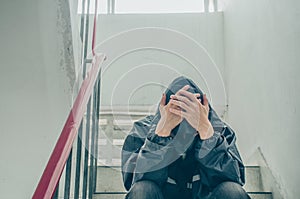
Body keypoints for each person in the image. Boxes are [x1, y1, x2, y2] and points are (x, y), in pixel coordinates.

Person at [121, 76, 250, 199]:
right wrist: (160, 135)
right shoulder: (142, 130)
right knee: (143, 190)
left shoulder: (222, 131)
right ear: (163, 109)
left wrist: (207, 134)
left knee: (232, 190)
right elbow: (133, 182)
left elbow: (234, 179)